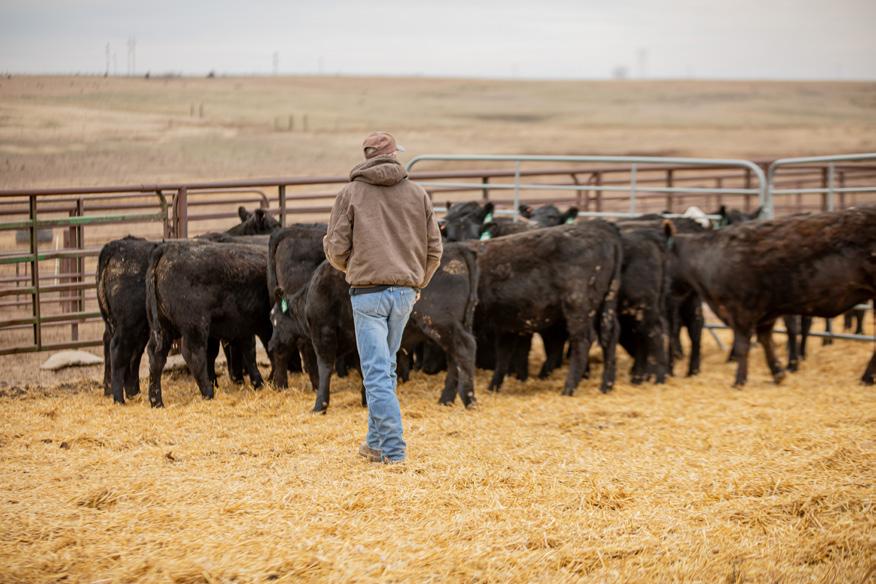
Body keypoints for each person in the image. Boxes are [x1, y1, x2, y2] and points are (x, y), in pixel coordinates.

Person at [323, 132, 443, 464]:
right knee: (385, 368)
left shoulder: (350, 193)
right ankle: (375, 443)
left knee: (376, 373)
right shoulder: (417, 194)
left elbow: (335, 248)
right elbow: (435, 250)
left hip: (368, 293)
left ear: (367, 156)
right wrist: (417, 282)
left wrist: (352, 268)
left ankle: (393, 450)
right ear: (393, 155)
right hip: (404, 293)